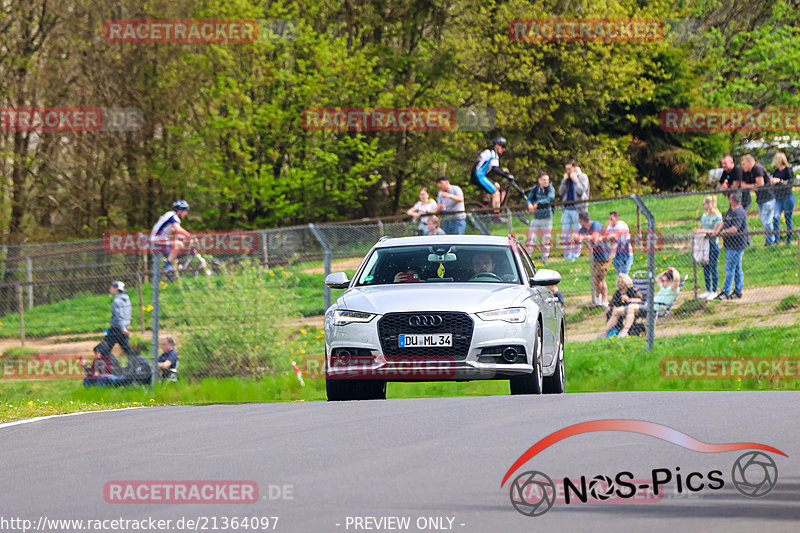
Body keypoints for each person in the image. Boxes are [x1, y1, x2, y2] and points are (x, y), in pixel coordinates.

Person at [613, 267, 681, 339]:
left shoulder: (673, 290)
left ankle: (624, 332)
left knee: (631, 307)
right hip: (647, 306)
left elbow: (676, 280)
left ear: (670, 281)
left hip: (655, 309)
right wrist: (666, 271)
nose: (662, 282)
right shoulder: (663, 288)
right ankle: (604, 333)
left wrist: (674, 271)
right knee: (617, 310)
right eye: (662, 280)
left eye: (664, 281)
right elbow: (657, 278)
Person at [713, 191, 750, 300]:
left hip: (737, 245)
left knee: (730, 268)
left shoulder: (739, 212)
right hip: (729, 245)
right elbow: (724, 222)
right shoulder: (731, 211)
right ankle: (738, 291)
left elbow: (734, 229)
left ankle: (725, 292)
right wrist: (717, 231)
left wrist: (722, 233)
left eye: (730, 199)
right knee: (737, 267)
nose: (729, 200)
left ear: (733, 201)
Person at [471, 137, 514, 223]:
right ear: (497, 146)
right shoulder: (489, 153)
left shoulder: (494, 154)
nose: (504, 149)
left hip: (481, 176)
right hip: (478, 176)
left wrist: (506, 175)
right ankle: (496, 217)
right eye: (503, 147)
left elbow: (496, 168)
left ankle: (484, 206)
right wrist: (507, 175)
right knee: (496, 193)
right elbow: (495, 169)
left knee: (496, 185)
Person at [573, 211, 610, 307]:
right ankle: (597, 299)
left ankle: (605, 300)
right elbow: (580, 241)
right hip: (596, 256)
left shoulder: (595, 225)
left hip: (605, 255)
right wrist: (576, 239)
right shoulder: (583, 229)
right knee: (595, 280)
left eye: (579, 221)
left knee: (601, 279)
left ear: (581, 220)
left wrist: (581, 237)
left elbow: (594, 237)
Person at [740, 154, 776, 245]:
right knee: (764, 220)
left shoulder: (757, 168)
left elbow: (760, 184)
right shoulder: (746, 172)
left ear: (749, 162)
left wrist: (750, 186)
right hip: (760, 200)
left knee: (766, 221)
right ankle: (770, 241)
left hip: (768, 198)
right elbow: (742, 184)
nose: (742, 166)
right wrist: (752, 186)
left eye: (743, 164)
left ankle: (771, 241)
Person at [558, 159, 590, 260]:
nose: (567, 171)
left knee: (577, 233)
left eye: (569, 169)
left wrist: (575, 179)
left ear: (575, 168)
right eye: (566, 169)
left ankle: (575, 256)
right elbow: (560, 192)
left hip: (578, 209)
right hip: (567, 209)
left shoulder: (583, 177)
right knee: (565, 234)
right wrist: (564, 181)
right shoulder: (566, 179)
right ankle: (567, 256)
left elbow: (582, 191)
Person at [692, 195, 722, 299]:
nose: (703, 206)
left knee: (713, 266)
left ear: (709, 204)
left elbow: (714, 231)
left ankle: (714, 290)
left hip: (712, 244)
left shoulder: (717, 216)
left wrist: (702, 231)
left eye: (704, 203)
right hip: (703, 244)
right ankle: (707, 289)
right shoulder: (704, 216)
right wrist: (697, 231)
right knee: (705, 267)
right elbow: (700, 228)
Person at [595, 274, 643, 339]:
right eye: (618, 282)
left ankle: (624, 332)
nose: (620, 284)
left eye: (622, 282)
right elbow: (611, 303)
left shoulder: (632, 290)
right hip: (620, 311)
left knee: (618, 310)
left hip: (632, 308)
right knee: (610, 312)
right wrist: (608, 309)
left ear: (626, 283)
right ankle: (604, 333)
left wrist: (629, 299)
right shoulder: (618, 292)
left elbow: (640, 299)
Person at [150, 200, 191, 271]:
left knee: (175, 260)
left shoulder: (171, 216)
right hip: (156, 239)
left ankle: (171, 275)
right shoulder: (173, 216)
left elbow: (176, 233)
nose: (186, 213)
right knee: (179, 245)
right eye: (185, 211)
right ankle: (167, 264)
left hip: (160, 239)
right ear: (180, 210)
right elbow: (178, 229)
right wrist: (190, 236)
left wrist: (185, 237)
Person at [100, 281, 136, 358]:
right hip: (124, 327)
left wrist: (123, 328)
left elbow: (119, 315)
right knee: (127, 349)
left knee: (103, 349)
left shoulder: (117, 301)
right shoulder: (127, 299)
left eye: (111, 287)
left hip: (117, 328)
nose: (110, 289)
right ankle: (136, 362)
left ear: (116, 289)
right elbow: (128, 313)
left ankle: (111, 365)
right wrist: (125, 326)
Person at [525, 172, 556, 262]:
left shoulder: (550, 189)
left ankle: (544, 259)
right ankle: (528, 258)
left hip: (547, 218)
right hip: (536, 218)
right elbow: (529, 199)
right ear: (539, 180)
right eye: (544, 180)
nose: (546, 181)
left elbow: (550, 198)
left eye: (547, 179)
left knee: (545, 239)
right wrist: (529, 204)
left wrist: (538, 203)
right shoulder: (535, 189)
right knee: (531, 239)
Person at [771, 152, 795, 245]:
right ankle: (776, 240)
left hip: (787, 198)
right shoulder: (776, 171)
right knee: (776, 218)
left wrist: (779, 181)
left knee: (788, 218)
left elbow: (790, 183)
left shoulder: (787, 170)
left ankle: (788, 240)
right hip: (778, 198)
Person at [604, 211, 633, 275]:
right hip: (616, 254)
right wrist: (606, 227)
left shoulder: (622, 224)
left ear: (617, 218)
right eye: (609, 219)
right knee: (619, 275)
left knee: (624, 275)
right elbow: (603, 236)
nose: (610, 221)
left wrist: (608, 237)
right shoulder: (609, 227)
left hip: (625, 254)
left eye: (612, 219)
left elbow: (618, 234)